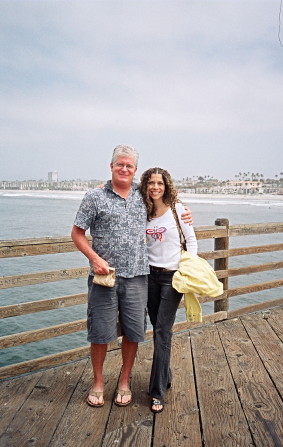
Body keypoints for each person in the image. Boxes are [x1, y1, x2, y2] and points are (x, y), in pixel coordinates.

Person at [71, 145, 192, 408]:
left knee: (134, 333)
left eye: (129, 166)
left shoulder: (143, 195)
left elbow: (165, 202)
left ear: (135, 170)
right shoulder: (94, 197)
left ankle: (124, 381)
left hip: (139, 277)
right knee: (100, 333)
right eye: (120, 164)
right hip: (105, 278)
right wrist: (95, 259)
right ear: (111, 166)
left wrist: (184, 212)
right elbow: (77, 234)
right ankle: (99, 382)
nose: (124, 169)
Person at [139, 167, 197, 413]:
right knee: (158, 328)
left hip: (173, 278)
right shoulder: (143, 210)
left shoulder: (178, 210)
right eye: (150, 183)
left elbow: (191, 241)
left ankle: (157, 392)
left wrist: (187, 270)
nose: (155, 187)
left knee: (163, 331)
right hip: (149, 276)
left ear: (166, 185)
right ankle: (166, 376)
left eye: (159, 183)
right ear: (145, 186)